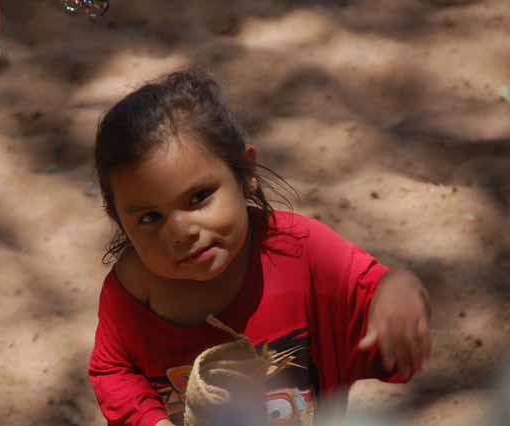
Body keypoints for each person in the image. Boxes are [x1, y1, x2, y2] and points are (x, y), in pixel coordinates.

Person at [88, 70, 432, 426]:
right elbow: (112, 371)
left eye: (199, 197)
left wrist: (397, 294)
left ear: (246, 173)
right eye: (150, 218)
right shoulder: (131, 292)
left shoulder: (298, 249)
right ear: (119, 221)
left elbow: (372, 293)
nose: (181, 232)